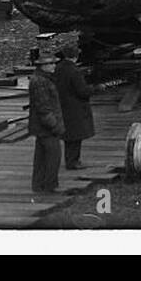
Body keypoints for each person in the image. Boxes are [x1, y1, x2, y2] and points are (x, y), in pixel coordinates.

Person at [53, 47, 96, 170]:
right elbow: (82, 91)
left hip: (62, 105)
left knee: (69, 136)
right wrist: (94, 89)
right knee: (76, 136)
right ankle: (73, 162)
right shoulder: (74, 71)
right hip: (75, 107)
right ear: (75, 57)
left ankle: (70, 160)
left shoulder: (58, 68)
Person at [28, 52, 65, 193]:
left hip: (42, 127)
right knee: (52, 158)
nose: (53, 66)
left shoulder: (43, 79)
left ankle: (39, 185)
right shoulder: (41, 82)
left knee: (42, 159)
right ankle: (49, 186)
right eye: (50, 63)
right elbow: (43, 108)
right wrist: (54, 125)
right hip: (46, 128)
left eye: (54, 63)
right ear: (42, 66)